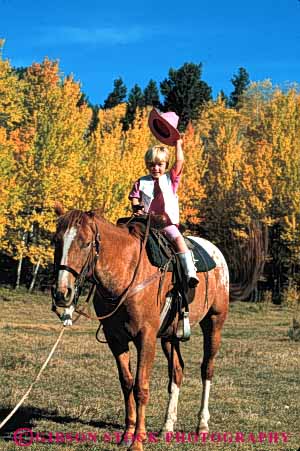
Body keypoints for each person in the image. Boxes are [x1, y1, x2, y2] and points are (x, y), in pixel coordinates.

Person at [128, 139, 199, 288]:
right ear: (147, 165)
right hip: (145, 221)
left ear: (166, 165)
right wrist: (136, 207)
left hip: (165, 223)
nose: (155, 168)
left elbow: (180, 161)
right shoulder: (141, 182)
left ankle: (190, 271)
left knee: (178, 239)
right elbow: (135, 196)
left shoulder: (170, 179)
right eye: (151, 165)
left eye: (159, 165)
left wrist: (178, 143)